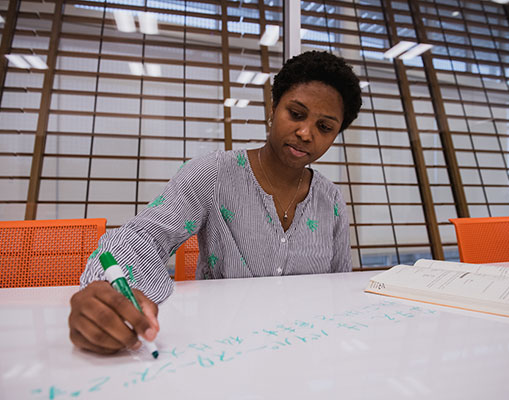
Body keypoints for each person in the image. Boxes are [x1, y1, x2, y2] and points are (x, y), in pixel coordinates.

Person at [68, 50, 363, 355]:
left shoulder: (331, 200)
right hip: (224, 352)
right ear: (274, 109)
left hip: (306, 351)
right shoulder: (215, 175)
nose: (305, 133)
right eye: (296, 114)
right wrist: (107, 290)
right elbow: (142, 237)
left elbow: (338, 286)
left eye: (324, 127)